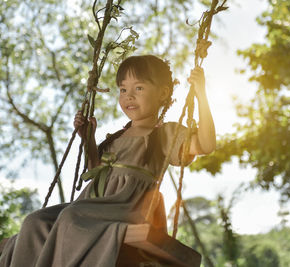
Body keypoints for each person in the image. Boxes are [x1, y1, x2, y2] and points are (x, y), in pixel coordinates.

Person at [0, 55, 216, 267]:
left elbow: (206, 145)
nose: (129, 96)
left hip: (128, 204)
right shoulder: (117, 136)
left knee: (71, 219)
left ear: (163, 93)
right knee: (35, 221)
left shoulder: (165, 133)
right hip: (94, 202)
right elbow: (97, 170)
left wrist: (202, 95)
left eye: (138, 88)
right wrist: (88, 138)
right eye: (123, 90)